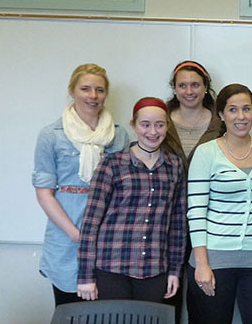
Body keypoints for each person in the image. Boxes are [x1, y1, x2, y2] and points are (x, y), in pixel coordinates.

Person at [32, 63, 130, 306]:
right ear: (72, 91)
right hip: (66, 235)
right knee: (69, 310)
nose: (93, 96)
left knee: (107, 312)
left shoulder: (119, 135)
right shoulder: (51, 135)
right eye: (85, 89)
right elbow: (44, 193)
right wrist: (76, 235)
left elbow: (125, 190)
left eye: (99, 90)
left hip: (108, 237)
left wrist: (103, 234)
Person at [186, 84, 252, 324]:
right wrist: (202, 264)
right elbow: (196, 211)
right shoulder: (206, 152)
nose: (241, 116)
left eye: (246, 109)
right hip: (214, 259)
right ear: (221, 114)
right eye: (233, 109)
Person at [76, 97, 186, 302]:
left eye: (159, 125)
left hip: (155, 270)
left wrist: (174, 270)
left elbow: (178, 225)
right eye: (145, 125)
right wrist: (85, 276)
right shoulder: (112, 164)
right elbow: (90, 223)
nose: (152, 132)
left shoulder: (175, 166)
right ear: (134, 125)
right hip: (112, 269)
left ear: (167, 126)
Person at [162, 60, 222, 323]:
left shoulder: (222, 122)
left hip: (210, 221)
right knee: (167, 291)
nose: (189, 91)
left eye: (195, 85)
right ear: (174, 89)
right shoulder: (158, 120)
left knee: (203, 292)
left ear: (206, 87)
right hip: (166, 220)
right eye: (182, 85)